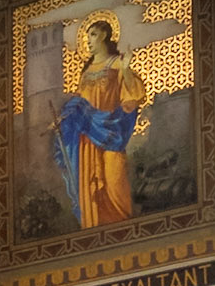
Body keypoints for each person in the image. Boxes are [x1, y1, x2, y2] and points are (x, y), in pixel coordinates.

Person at [52, 18, 146, 227]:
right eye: (87, 36)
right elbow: (78, 103)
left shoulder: (117, 63)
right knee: (90, 188)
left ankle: (122, 228)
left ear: (104, 35)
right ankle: (94, 231)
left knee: (114, 181)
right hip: (86, 139)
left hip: (110, 131)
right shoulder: (85, 73)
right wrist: (63, 120)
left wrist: (127, 68)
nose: (88, 41)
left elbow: (134, 93)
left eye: (92, 35)